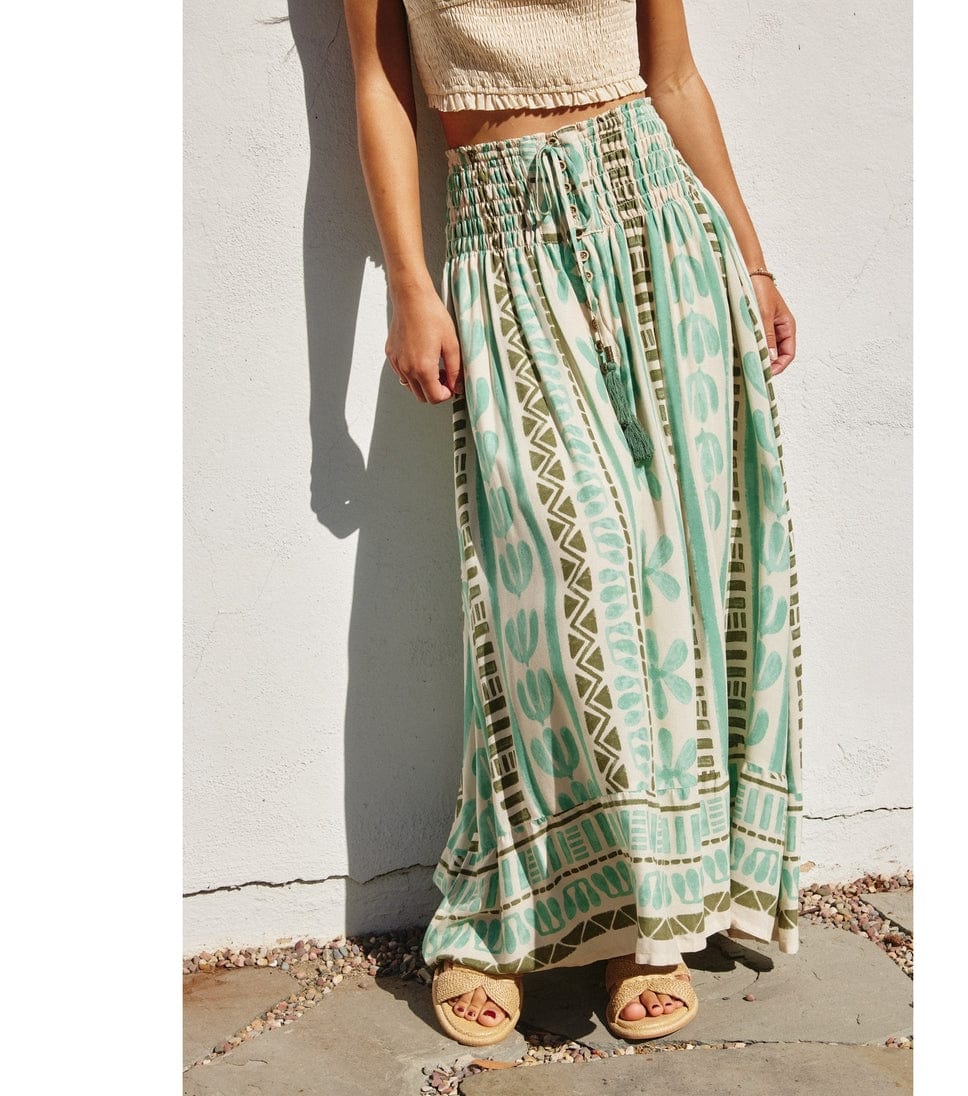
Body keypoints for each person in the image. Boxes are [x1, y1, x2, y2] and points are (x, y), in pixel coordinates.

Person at [343, 0, 805, 1045]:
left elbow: (672, 75)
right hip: (502, 235)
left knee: (676, 586)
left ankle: (644, 921)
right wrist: (410, 284)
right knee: (562, 581)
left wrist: (752, 260)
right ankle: (502, 909)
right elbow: (379, 85)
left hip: (658, 228)